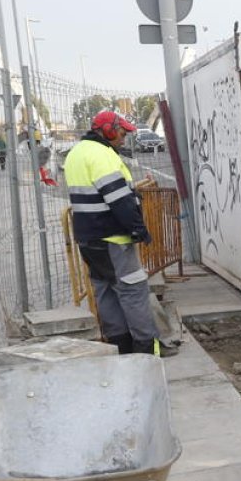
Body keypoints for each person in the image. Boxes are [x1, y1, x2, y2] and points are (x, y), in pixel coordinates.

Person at [64, 110, 164, 356]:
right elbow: (118, 199)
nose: (123, 138)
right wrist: (138, 229)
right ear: (107, 130)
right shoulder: (102, 155)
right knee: (134, 294)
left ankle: (120, 354)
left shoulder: (76, 153)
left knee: (106, 294)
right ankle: (146, 355)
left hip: (89, 240)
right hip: (114, 239)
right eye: (121, 133)